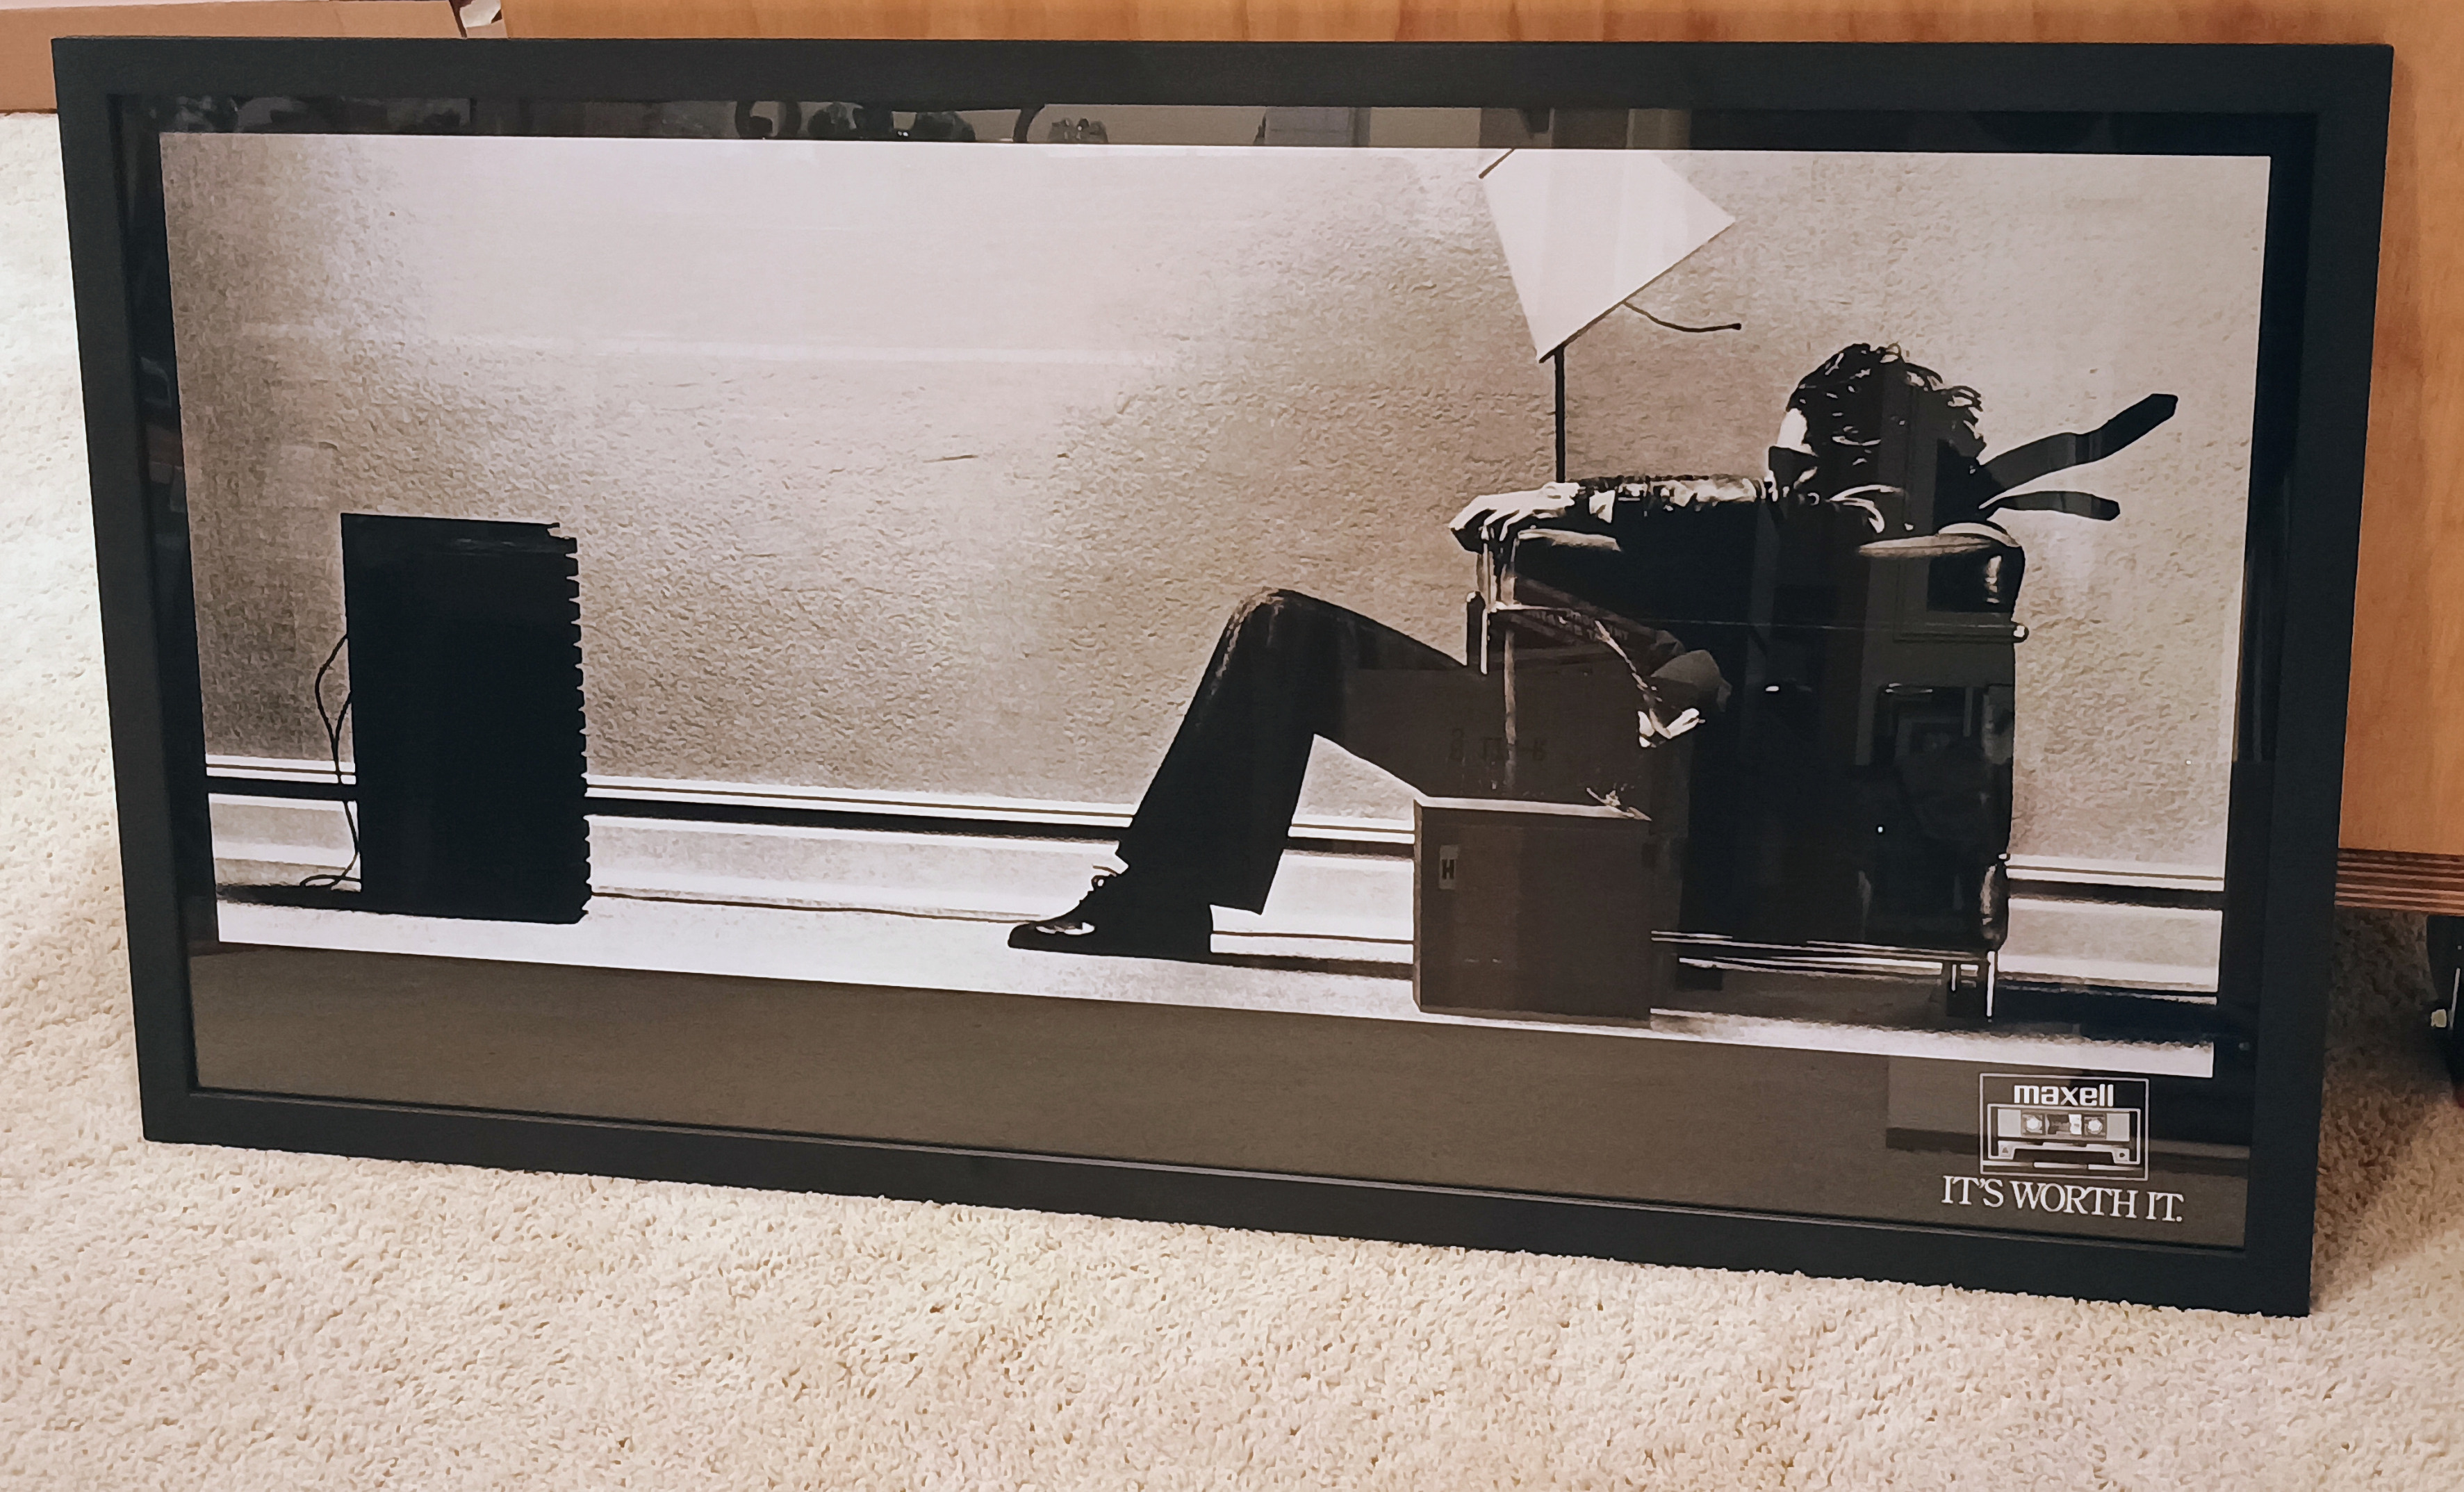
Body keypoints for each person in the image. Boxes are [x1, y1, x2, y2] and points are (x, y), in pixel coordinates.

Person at [1006, 343, 2133, 960]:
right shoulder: (1849, 534)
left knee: (1289, 626)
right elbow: (1751, 568)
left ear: (1859, 463)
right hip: (1606, 769)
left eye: (1792, 465)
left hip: (1646, 810)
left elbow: (1805, 538)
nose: (1775, 479)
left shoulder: (1888, 532)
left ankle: (1160, 896)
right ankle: (1163, 892)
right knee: (1284, 624)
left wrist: (1578, 502)